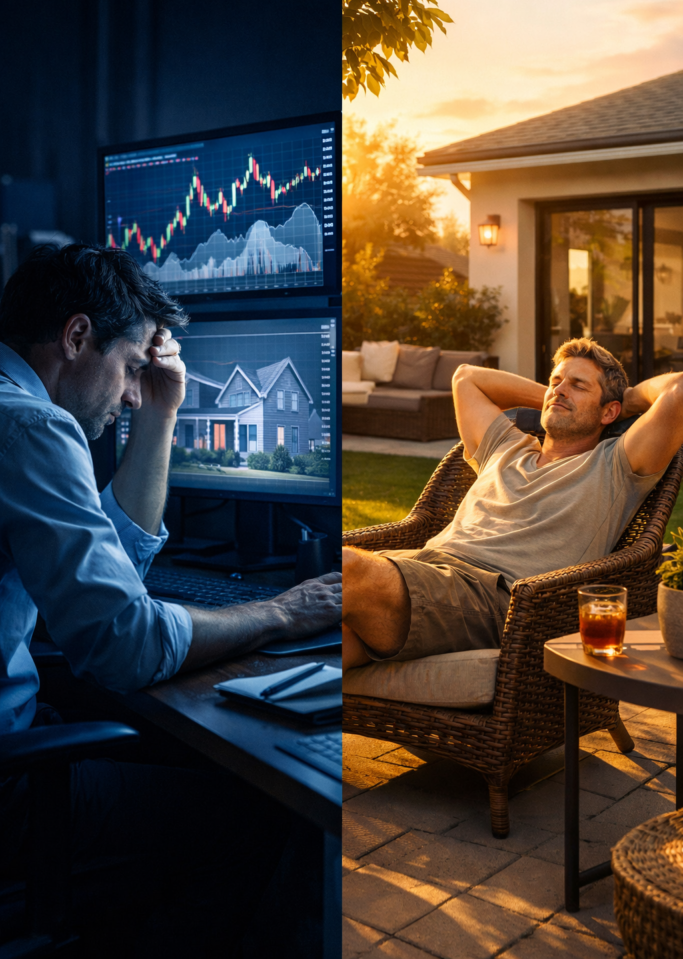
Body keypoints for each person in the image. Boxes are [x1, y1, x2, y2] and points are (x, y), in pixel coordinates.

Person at [0, 243, 341, 956]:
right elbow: (123, 643)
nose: (130, 393)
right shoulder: (31, 427)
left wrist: (159, 414)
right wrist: (282, 613)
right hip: (8, 797)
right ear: (76, 336)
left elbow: (109, 573)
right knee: (265, 813)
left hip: (23, 734)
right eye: (131, 370)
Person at [343, 338, 683, 672]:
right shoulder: (506, 445)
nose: (559, 389)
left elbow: (679, 390)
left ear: (610, 410)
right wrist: (562, 399)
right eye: (556, 381)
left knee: (344, 566)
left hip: (493, 595)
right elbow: (465, 377)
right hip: (424, 569)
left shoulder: (614, 465)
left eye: (578, 384)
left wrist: (628, 400)